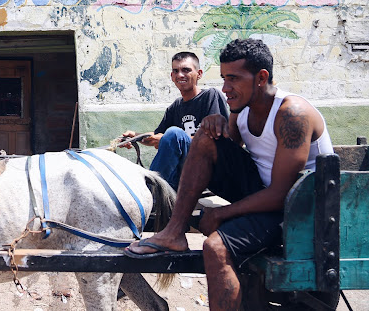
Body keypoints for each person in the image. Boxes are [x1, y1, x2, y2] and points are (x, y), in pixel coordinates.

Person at [124, 39, 334, 310]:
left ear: (261, 77)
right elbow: (222, 153)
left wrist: (223, 213)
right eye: (224, 78)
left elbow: (282, 194)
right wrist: (215, 125)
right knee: (204, 137)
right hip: (262, 192)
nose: (225, 89)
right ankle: (174, 231)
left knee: (215, 248)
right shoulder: (241, 108)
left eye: (233, 79)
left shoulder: (291, 113)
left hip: (299, 210)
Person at [122, 51, 228, 191]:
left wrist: (170, 139)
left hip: (210, 167)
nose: (180, 75)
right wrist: (135, 137)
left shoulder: (210, 96)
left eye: (186, 70)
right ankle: (156, 193)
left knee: (173, 134)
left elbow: (216, 139)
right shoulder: (175, 107)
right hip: (185, 170)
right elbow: (157, 137)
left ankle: (151, 192)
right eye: (176, 71)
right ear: (172, 76)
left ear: (199, 74)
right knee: (172, 135)